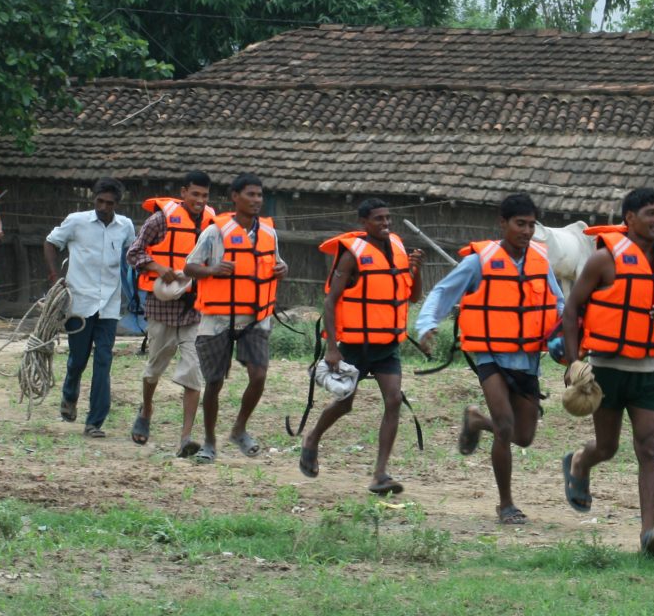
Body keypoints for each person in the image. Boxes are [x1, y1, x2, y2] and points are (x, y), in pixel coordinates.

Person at [559, 187, 654, 556]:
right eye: (651, 213)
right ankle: (578, 462)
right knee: (606, 447)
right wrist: (574, 362)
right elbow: (571, 311)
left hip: (652, 369)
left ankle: (648, 534)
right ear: (630, 219)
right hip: (606, 369)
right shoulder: (603, 260)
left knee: (648, 447)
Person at [417, 193, 564, 525]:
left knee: (524, 436)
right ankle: (506, 504)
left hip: (528, 358)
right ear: (503, 223)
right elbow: (442, 291)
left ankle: (474, 420)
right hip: (491, 356)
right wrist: (427, 324)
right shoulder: (480, 261)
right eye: (519, 224)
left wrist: (571, 341)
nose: (526, 231)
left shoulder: (541, 261)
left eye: (531, 225)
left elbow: (559, 304)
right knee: (505, 427)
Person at [299, 199, 424, 493]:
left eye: (388, 218)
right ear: (363, 223)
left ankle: (380, 473)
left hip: (387, 346)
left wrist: (415, 270)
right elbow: (330, 300)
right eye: (378, 219)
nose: (385, 224)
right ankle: (312, 438)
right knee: (345, 404)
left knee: (393, 400)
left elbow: (413, 297)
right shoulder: (351, 256)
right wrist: (332, 347)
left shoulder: (397, 248)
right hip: (355, 344)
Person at [182, 174, 287, 463]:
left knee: (259, 375)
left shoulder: (269, 232)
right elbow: (189, 267)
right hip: (217, 318)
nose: (256, 200)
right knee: (214, 382)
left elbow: (278, 262)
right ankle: (209, 442)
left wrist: (282, 270)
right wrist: (213, 269)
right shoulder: (215, 232)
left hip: (255, 317)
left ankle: (239, 428)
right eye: (250, 195)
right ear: (234, 197)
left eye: (259, 195)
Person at [128, 170, 215, 455]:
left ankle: (185, 438)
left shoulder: (213, 225)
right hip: (161, 305)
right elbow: (134, 252)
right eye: (195, 194)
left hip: (194, 310)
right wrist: (158, 268)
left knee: (194, 372)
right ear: (183, 192)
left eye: (204, 196)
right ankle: (147, 409)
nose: (200, 200)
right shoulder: (160, 220)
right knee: (154, 368)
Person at [43, 179, 136, 438]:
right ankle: (69, 395)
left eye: (110, 203)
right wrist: (54, 277)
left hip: (109, 305)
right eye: (100, 201)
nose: (104, 207)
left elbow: (132, 256)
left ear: (118, 204)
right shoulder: (76, 221)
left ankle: (94, 422)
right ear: (93, 199)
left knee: (104, 361)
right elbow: (50, 243)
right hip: (79, 304)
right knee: (78, 359)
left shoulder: (125, 227)